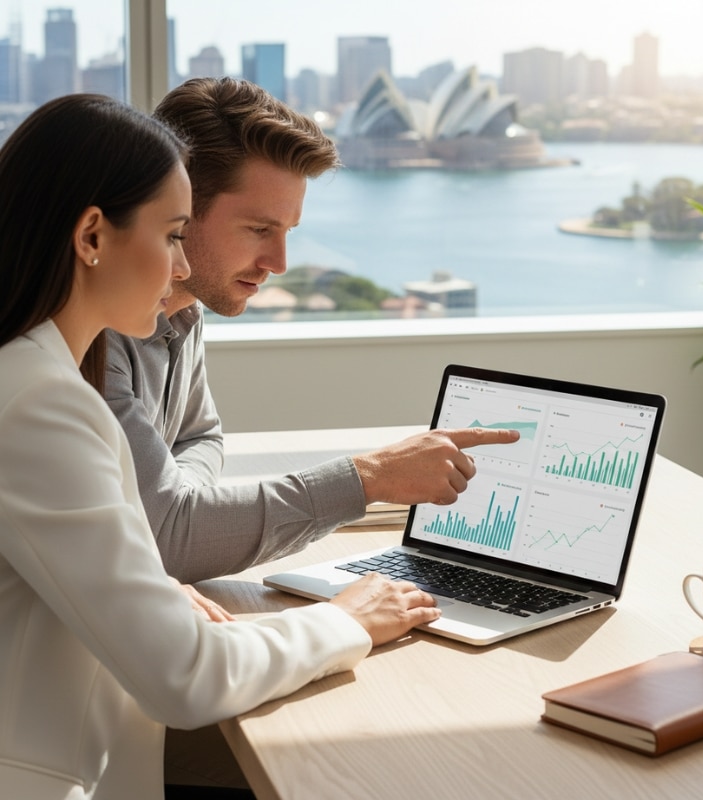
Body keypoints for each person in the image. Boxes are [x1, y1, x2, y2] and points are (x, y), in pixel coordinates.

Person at [0, 93, 442, 800]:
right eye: (173, 234)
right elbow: (185, 675)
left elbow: (195, 446)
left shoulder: (39, 377)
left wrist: (143, 569)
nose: (180, 270)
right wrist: (344, 620)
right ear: (92, 237)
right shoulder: (42, 405)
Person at [104, 76, 519, 586]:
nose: (279, 263)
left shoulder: (184, 311)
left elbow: (199, 435)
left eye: (287, 232)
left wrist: (182, 502)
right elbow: (169, 540)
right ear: (179, 208)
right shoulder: (97, 337)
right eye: (259, 229)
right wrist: (369, 478)